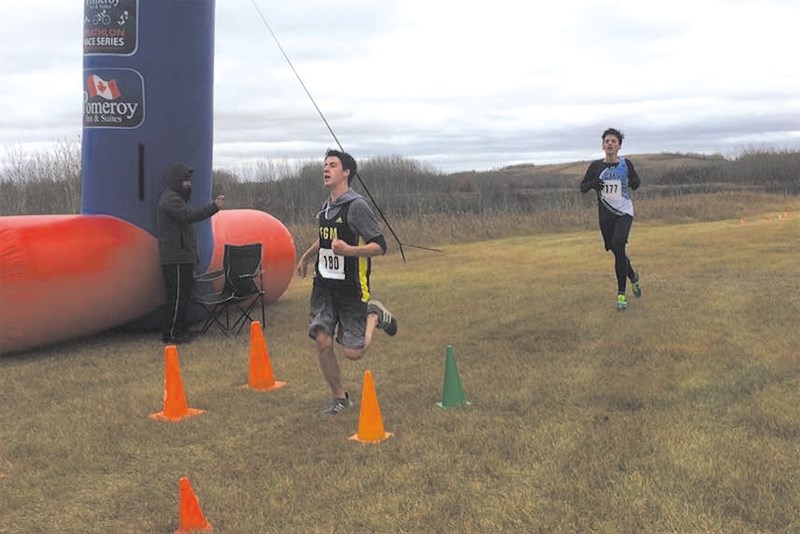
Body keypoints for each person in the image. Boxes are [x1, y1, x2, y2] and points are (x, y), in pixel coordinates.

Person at [296, 149, 397, 416]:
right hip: (324, 287)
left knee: (353, 352)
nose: (326, 169)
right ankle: (340, 397)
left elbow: (381, 246)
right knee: (322, 341)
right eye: (324, 165)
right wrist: (305, 257)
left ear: (346, 172)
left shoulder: (357, 206)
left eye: (332, 165)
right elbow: (325, 239)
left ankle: (374, 314)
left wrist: (350, 252)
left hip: (352, 289)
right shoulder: (326, 207)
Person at [157, 162, 224, 343]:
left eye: (189, 181)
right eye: (186, 181)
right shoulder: (170, 199)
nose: (189, 184)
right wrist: (213, 207)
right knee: (177, 296)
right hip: (175, 258)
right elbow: (189, 216)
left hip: (183, 256)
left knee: (184, 295)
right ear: (177, 181)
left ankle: (180, 329)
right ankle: (170, 333)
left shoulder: (177, 199)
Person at [580, 128, 642, 310]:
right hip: (606, 216)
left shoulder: (626, 164)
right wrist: (593, 184)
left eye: (613, 141)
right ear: (602, 145)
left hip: (624, 212)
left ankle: (621, 295)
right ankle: (633, 277)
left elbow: (636, 181)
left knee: (618, 245)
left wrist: (635, 182)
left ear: (619, 146)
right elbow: (582, 187)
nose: (610, 144)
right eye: (607, 141)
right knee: (617, 252)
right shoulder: (595, 167)